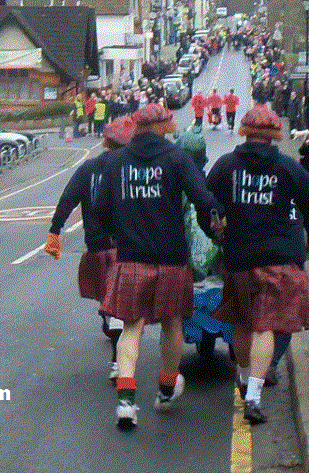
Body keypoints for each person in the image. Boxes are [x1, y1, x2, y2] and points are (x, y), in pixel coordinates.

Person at [95, 104, 226, 430]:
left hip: (131, 257)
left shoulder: (116, 161)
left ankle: (126, 402)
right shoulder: (176, 158)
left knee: (131, 328)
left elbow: (99, 208)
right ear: (163, 125)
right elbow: (203, 199)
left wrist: (117, 232)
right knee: (172, 325)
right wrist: (219, 218)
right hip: (170, 259)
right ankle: (166, 389)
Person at [205, 104, 309, 424]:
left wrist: (214, 234)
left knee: (242, 321)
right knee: (265, 326)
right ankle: (254, 396)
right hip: (280, 260)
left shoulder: (225, 166)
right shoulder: (288, 167)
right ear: (275, 135)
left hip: (239, 258)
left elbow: (205, 205)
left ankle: (245, 378)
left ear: (244, 132)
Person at [45, 115, 136, 378]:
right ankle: (119, 357)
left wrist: (55, 230)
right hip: (126, 244)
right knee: (121, 297)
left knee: (108, 293)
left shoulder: (88, 169)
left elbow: (67, 199)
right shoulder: (132, 168)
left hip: (96, 244)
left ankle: (111, 326)